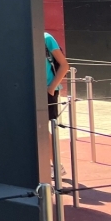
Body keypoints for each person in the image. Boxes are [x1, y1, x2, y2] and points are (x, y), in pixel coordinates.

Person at [45, 31, 70, 173]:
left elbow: (64, 65)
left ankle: (57, 166)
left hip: (46, 90)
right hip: (28, 90)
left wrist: (51, 88)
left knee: (41, 129)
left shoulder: (46, 38)